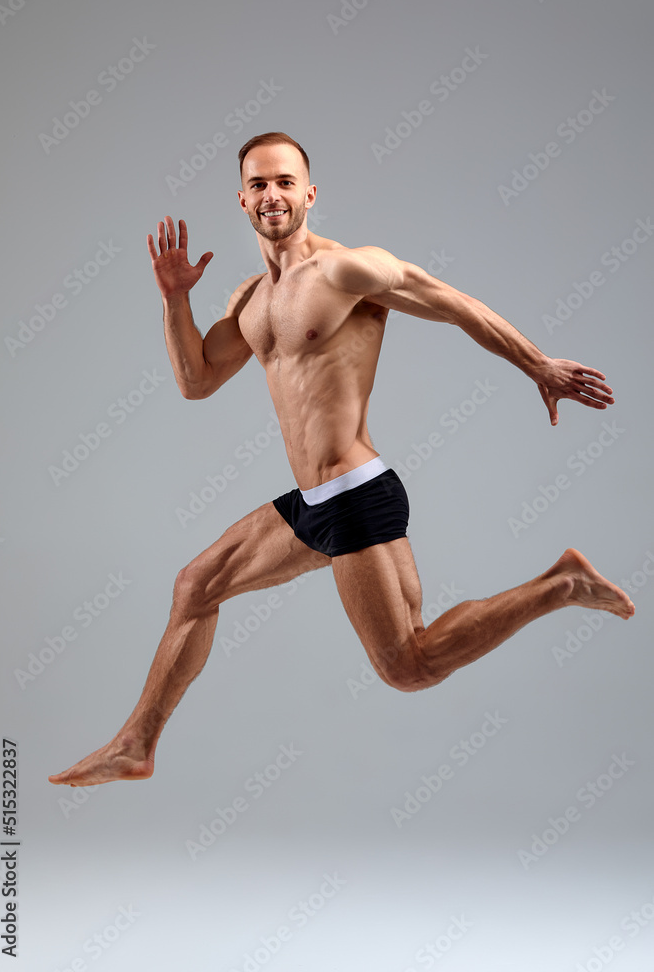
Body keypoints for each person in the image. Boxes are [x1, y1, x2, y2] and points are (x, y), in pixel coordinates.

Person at [49, 131, 634, 788]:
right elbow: (196, 380)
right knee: (195, 586)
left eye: (285, 182)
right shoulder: (250, 300)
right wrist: (174, 299)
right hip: (311, 502)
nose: (273, 194)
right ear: (242, 199)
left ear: (309, 193)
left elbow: (448, 300)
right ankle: (135, 743)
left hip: (356, 491)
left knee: (408, 665)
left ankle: (560, 584)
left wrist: (537, 365)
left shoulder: (345, 270)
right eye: (260, 184)